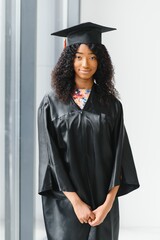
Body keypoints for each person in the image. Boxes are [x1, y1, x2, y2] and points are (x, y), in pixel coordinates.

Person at [38, 22, 140, 240]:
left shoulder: (111, 105)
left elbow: (120, 159)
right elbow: (50, 159)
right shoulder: (52, 104)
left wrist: (107, 205)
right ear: (68, 58)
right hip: (65, 204)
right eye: (79, 57)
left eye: (93, 57)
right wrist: (76, 202)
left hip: (103, 207)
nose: (86, 63)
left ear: (101, 60)